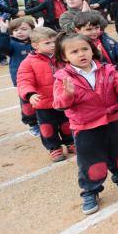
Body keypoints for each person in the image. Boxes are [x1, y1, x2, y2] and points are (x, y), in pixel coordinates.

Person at [53, 33, 118, 215]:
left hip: (112, 121)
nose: (81, 54)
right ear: (64, 57)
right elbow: (59, 104)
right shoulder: (63, 77)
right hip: (85, 126)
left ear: (92, 50)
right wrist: (68, 94)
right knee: (91, 162)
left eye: (85, 49)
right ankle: (90, 190)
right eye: (74, 51)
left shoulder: (107, 69)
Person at [17, 27, 73, 161]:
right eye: (47, 43)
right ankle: (54, 148)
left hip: (62, 99)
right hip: (43, 103)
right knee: (48, 128)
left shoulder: (62, 57)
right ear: (35, 45)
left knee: (67, 123)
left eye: (54, 42)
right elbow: (24, 80)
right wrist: (30, 94)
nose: (53, 45)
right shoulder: (28, 63)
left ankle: (70, 142)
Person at [0, 16, 40, 136]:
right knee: (27, 103)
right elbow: (2, 49)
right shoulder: (11, 44)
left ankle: (47, 120)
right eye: (16, 30)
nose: (20, 32)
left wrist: (38, 31)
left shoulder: (36, 43)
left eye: (23, 29)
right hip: (23, 81)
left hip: (40, 77)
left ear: (32, 30)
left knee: (43, 99)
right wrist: (2, 32)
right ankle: (33, 124)